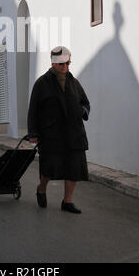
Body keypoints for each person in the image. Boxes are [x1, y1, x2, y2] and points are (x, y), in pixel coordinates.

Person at [27, 46, 90, 214]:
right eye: (62, 64)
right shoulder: (42, 83)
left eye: (68, 63)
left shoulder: (74, 82)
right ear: (53, 63)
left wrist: (82, 111)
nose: (65, 67)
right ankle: (41, 188)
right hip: (51, 134)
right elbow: (33, 110)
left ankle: (67, 201)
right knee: (49, 167)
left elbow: (85, 103)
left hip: (74, 133)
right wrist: (33, 133)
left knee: (74, 168)